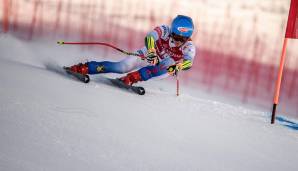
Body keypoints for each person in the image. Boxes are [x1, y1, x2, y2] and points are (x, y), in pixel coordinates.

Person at [68, 15, 196, 86]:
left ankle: (133, 78)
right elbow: (151, 36)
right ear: (172, 30)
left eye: (183, 38)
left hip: (162, 66)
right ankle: (84, 68)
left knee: (169, 65)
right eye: (176, 36)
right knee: (121, 67)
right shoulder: (165, 29)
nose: (179, 41)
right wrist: (151, 51)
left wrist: (178, 66)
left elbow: (189, 62)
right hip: (148, 54)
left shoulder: (189, 46)